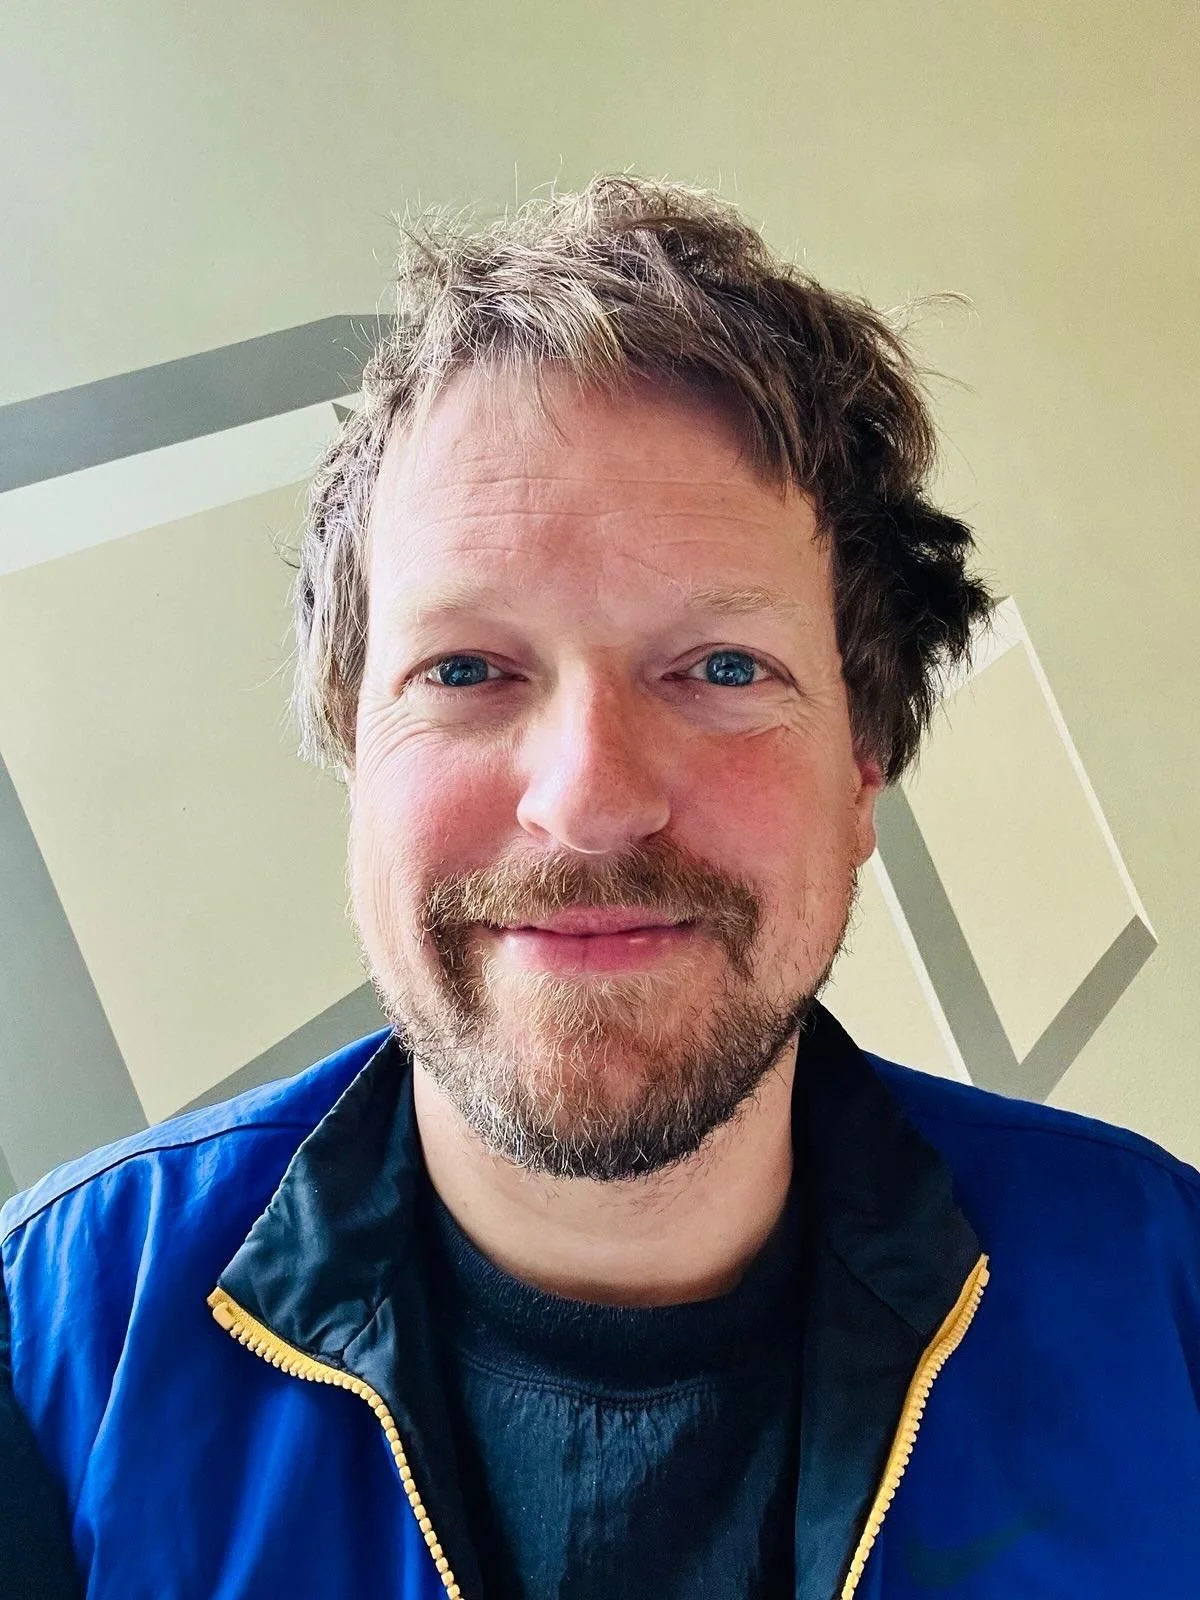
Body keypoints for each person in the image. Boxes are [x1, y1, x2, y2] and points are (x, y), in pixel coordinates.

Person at [2, 174, 1197, 1600]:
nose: (586, 799)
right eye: (465, 668)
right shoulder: (56, 1342)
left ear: (862, 770)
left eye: (724, 668)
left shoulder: (1166, 1306)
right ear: (354, 752)